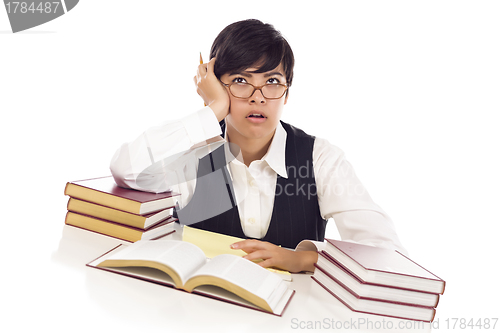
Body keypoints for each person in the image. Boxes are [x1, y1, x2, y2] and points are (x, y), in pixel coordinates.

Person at [110, 19, 406, 273]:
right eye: (240, 80)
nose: (258, 96)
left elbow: (384, 251)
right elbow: (128, 170)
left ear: (287, 93)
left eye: (273, 81)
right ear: (215, 85)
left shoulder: (320, 158)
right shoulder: (195, 151)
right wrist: (213, 110)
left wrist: (304, 258)